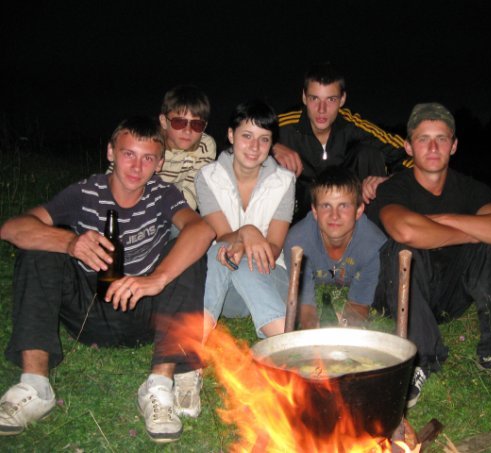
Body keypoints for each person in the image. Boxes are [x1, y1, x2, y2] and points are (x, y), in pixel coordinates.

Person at [0, 116, 215, 443]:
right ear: (111, 152)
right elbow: (12, 228)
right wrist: (70, 243)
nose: (137, 167)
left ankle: (159, 386)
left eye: (148, 158)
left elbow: (202, 229)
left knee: (188, 254)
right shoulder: (84, 193)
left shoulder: (163, 194)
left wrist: (157, 279)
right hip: (88, 312)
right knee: (40, 248)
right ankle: (35, 385)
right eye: (128, 154)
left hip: (145, 313)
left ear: (159, 164)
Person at [367, 102, 491, 409]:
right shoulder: (394, 188)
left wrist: (444, 220)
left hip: (450, 297)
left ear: (454, 145)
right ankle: (420, 359)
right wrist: (474, 230)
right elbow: (405, 230)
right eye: (423, 139)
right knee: (403, 249)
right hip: (401, 295)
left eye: (441, 138)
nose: (433, 147)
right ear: (408, 147)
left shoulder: (470, 189)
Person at [195, 99, 295, 344]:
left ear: (271, 143)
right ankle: (197, 338)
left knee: (234, 256)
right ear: (231, 135)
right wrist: (246, 232)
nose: (254, 147)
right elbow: (221, 235)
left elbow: (274, 246)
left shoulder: (284, 181)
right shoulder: (207, 177)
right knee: (220, 250)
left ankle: (284, 340)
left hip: (269, 278)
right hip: (224, 288)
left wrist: (244, 245)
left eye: (264, 139)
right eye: (247, 136)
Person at [273, 62, 412, 223]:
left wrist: (389, 180)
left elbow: (411, 154)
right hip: (300, 211)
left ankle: (372, 229)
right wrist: (272, 146)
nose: (322, 109)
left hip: (348, 208)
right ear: (304, 97)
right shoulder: (285, 125)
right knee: (268, 160)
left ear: (342, 99)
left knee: (368, 154)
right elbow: (247, 136)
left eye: (331, 99)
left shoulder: (353, 126)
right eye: (314, 98)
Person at [284, 166, 386, 329]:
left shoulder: (374, 245)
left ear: (359, 210)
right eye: (326, 206)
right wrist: (315, 329)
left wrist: (345, 328)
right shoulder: (298, 242)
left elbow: (359, 305)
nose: (334, 215)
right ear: (315, 211)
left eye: (343, 206)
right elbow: (305, 308)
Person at [107, 84, 216, 213]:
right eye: (179, 122)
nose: (188, 131)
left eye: (197, 124)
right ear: (164, 121)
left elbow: (192, 191)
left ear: (204, 127)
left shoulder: (205, 146)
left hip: (173, 204)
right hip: (135, 198)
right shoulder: (149, 141)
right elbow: (115, 176)